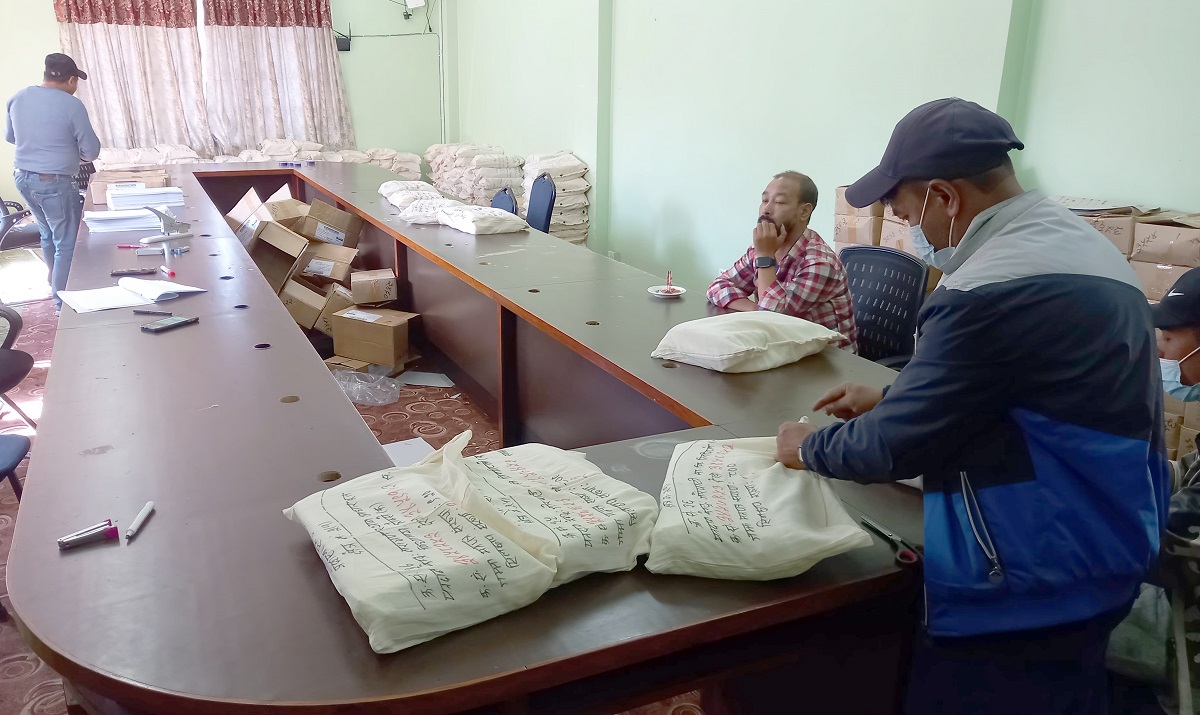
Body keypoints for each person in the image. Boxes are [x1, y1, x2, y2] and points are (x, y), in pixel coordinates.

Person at [774, 98, 1169, 714]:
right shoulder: (1079, 246)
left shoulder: (985, 289)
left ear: (945, 198)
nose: (913, 231)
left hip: (1031, 574)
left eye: (908, 214)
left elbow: (893, 447)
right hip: (1108, 535)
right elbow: (1027, 386)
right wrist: (893, 394)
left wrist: (808, 447)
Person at [706, 171, 857, 351]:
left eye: (778, 202)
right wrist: (755, 310)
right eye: (764, 200)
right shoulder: (763, 247)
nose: (766, 209)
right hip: (782, 347)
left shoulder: (820, 262)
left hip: (827, 360)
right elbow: (717, 287)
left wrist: (765, 257)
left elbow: (773, 318)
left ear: (804, 211)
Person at [6, 53, 101, 312]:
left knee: (47, 233)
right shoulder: (72, 105)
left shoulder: (18, 97)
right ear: (71, 80)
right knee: (67, 241)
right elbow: (91, 151)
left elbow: (11, 137)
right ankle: (62, 303)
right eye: (76, 82)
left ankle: (54, 283)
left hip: (23, 178)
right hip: (55, 182)